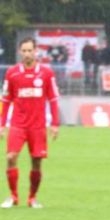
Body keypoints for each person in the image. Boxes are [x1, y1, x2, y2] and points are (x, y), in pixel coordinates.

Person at [0, 38, 60, 209]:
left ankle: (32, 198)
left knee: (36, 161)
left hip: (38, 126)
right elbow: (6, 100)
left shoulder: (46, 73)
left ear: (36, 51)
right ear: (20, 52)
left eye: (30, 50)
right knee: (11, 157)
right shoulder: (12, 73)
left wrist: (55, 124)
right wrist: (2, 124)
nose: (27, 54)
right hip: (18, 125)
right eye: (24, 51)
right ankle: (13, 196)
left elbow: (53, 99)